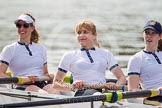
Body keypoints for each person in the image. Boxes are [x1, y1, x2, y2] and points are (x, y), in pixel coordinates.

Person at [53, 20, 126, 96]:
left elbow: (121, 78)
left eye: (85, 32)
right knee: (98, 95)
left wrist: (114, 87)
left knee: (105, 95)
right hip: (82, 92)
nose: (81, 35)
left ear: (94, 35)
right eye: (79, 33)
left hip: (103, 91)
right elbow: (56, 83)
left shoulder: (106, 53)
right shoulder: (69, 55)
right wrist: (72, 86)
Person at [0, 13, 59, 94]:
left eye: (25, 25)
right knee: (42, 93)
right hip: (22, 85)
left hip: (40, 83)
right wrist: (20, 79)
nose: (21, 28)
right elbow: (1, 73)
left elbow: (45, 73)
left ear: (32, 28)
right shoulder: (9, 49)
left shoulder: (41, 49)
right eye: (18, 25)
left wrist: (49, 78)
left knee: (56, 91)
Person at [127, 20, 162, 102]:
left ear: (160, 36)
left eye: (153, 33)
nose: (149, 36)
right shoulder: (136, 59)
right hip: (154, 97)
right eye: (147, 33)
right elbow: (132, 91)